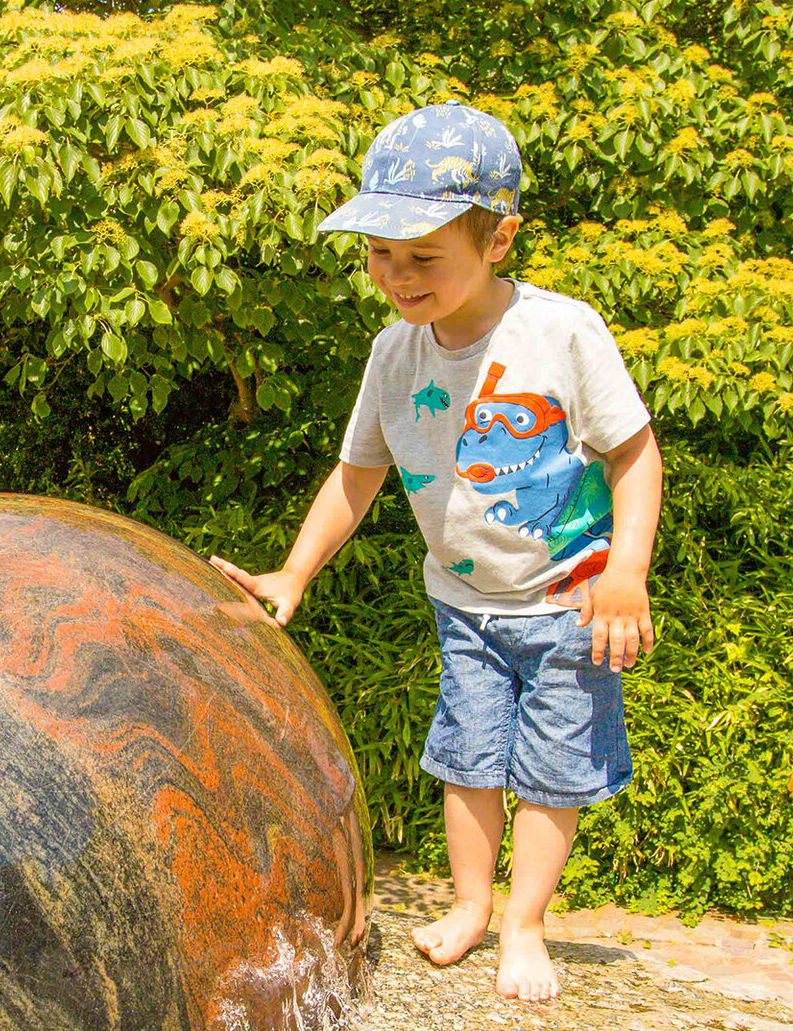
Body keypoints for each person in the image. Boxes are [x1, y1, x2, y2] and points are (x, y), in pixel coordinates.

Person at [209, 100, 663, 1002]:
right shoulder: (393, 353)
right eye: (382, 253)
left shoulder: (561, 331)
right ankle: (470, 904)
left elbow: (635, 451)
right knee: (467, 756)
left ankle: (525, 923)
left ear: (498, 240)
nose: (396, 275)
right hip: (464, 605)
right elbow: (356, 475)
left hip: (569, 598)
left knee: (551, 769)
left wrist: (626, 572)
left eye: (423, 256)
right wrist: (293, 572)